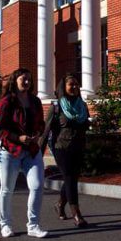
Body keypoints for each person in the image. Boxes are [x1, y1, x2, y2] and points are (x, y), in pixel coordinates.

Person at [0, 68, 48, 239]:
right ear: (15, 80)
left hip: (31, 150)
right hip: (10, 151)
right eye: (24, 78)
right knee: (7, 189)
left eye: (29, 79)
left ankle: (33, 225)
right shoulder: (7, 102)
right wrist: (18, 137)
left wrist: (38, 133)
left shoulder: (35, 101)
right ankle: (6, 225)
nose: (27, 82)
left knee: (37, 186)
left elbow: (41, 122)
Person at [40, 74, 90, 228]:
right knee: (69, 176)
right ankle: (76, 214)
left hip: (78, 146)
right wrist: (38, 153)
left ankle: (60, 205)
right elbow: (46, 130)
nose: (74, 87)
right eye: (71, 84)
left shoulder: (82, 106)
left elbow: (85, 125)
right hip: (61, 147)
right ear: (64, 87)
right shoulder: (57, 107)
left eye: (76, 84)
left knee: (72, 178)